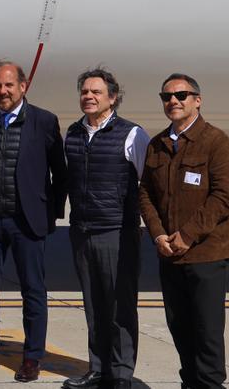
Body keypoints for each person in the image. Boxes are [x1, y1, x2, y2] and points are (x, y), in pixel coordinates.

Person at [0, 60, 67, 382]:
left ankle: (32, 357)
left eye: (9, 85)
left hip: (27, 222)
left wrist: (50, 213)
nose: (3, 91)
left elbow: (59, 173)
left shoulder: (44, 121)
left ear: (23, 86)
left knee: (33, 291)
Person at [138, 74, 229, 389]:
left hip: (208, 255)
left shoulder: (216, 142)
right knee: (180, 329)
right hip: (170, 255)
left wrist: (187, 235)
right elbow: (145, 194)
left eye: (182, 95)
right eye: (167, 96)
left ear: (197, 100)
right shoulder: (157, 145)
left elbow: (225, 197)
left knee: (206, 332)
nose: (174, 101)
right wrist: (158, 235)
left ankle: (209, 384)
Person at [63, 68, 150, 389]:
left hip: (117, 232)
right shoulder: (71, 134)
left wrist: (141, 223)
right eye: (85, 91)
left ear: (112, 97)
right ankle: (98, 369)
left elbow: (148, 185)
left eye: (96, 92)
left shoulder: (132, 135)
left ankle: (122, 373)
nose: (89, 96)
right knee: (93, 305)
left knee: (120, 306)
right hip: (82, 231)